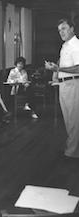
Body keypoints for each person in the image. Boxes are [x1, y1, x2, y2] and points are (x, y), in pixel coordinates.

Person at [45, 18, 79, 158]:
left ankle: (73, 152)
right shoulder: (65, 45)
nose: (61, 32)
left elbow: (78, 67)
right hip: (64, 84)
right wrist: (55, 67)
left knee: (73, 119)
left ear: (72, 28)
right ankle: (71, 147)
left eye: (64, 28)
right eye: (59, 30)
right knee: (68, 118)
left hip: (73, 84)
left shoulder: (76, 45)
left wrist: (58, 68)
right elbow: (62, 63)